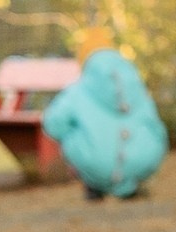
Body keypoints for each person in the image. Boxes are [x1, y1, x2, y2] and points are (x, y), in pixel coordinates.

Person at [42, 48, 167, 202]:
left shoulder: (78, 91)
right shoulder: (139, 91)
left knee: (70, 132)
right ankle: (130, 183)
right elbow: (157, 128)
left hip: (93, 162)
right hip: (141, 161)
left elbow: (53, 125)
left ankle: (94, 184)